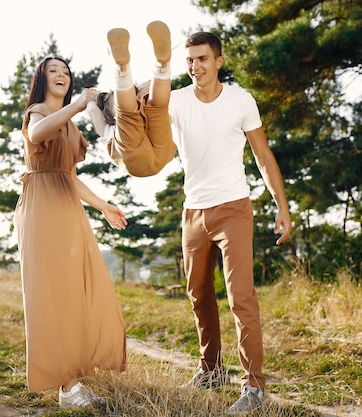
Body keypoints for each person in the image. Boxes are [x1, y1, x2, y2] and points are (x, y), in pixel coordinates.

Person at [168, 32, 292, 415]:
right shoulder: (176, 101)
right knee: (199, 296)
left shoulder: (240, 100)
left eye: (202, 59)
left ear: (219, 61)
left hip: (234, 209)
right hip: (193, 212)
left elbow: (263, 155)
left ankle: (254, 387)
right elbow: (143, 106)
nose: (195, 67)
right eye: (189, 60)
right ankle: (211, 370)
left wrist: (281, 206)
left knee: (241, 297)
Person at [14, 56, 128, 409]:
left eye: (65, 71)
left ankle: (73, 383)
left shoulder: (71, 127)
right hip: (41, 209)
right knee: (53, 295)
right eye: (54, 71)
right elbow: (36, 134)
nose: (61, 75)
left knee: (75, 292)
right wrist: (78, 105)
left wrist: (104, 206)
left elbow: (69, 177)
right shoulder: (38, 111)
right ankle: (68, 387)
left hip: (67, 207)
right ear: (42, 79)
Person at [86, 21, 176, 177]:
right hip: (163, 149)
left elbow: (94, 111)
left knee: (128, 113)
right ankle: (162, 66)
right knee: (157, 108)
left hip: (135, 161)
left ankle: (123, 70)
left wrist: (90, 102)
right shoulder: (118, 124)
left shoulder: (108, 131)